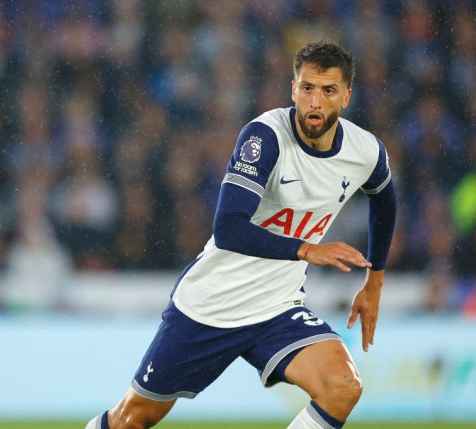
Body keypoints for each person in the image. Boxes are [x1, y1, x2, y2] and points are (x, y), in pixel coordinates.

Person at [86, 40, 397, 429]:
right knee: (131, 419)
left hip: (276, 307)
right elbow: (229, 228)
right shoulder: (265, 138)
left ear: (346, 96)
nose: (315, 102)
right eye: (307, 88)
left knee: (343, 386)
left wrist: (374, 283)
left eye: (328, 90)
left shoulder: (364, 150)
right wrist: (306, 250)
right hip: (212, 304)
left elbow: (385, 198)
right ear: (293, 89)